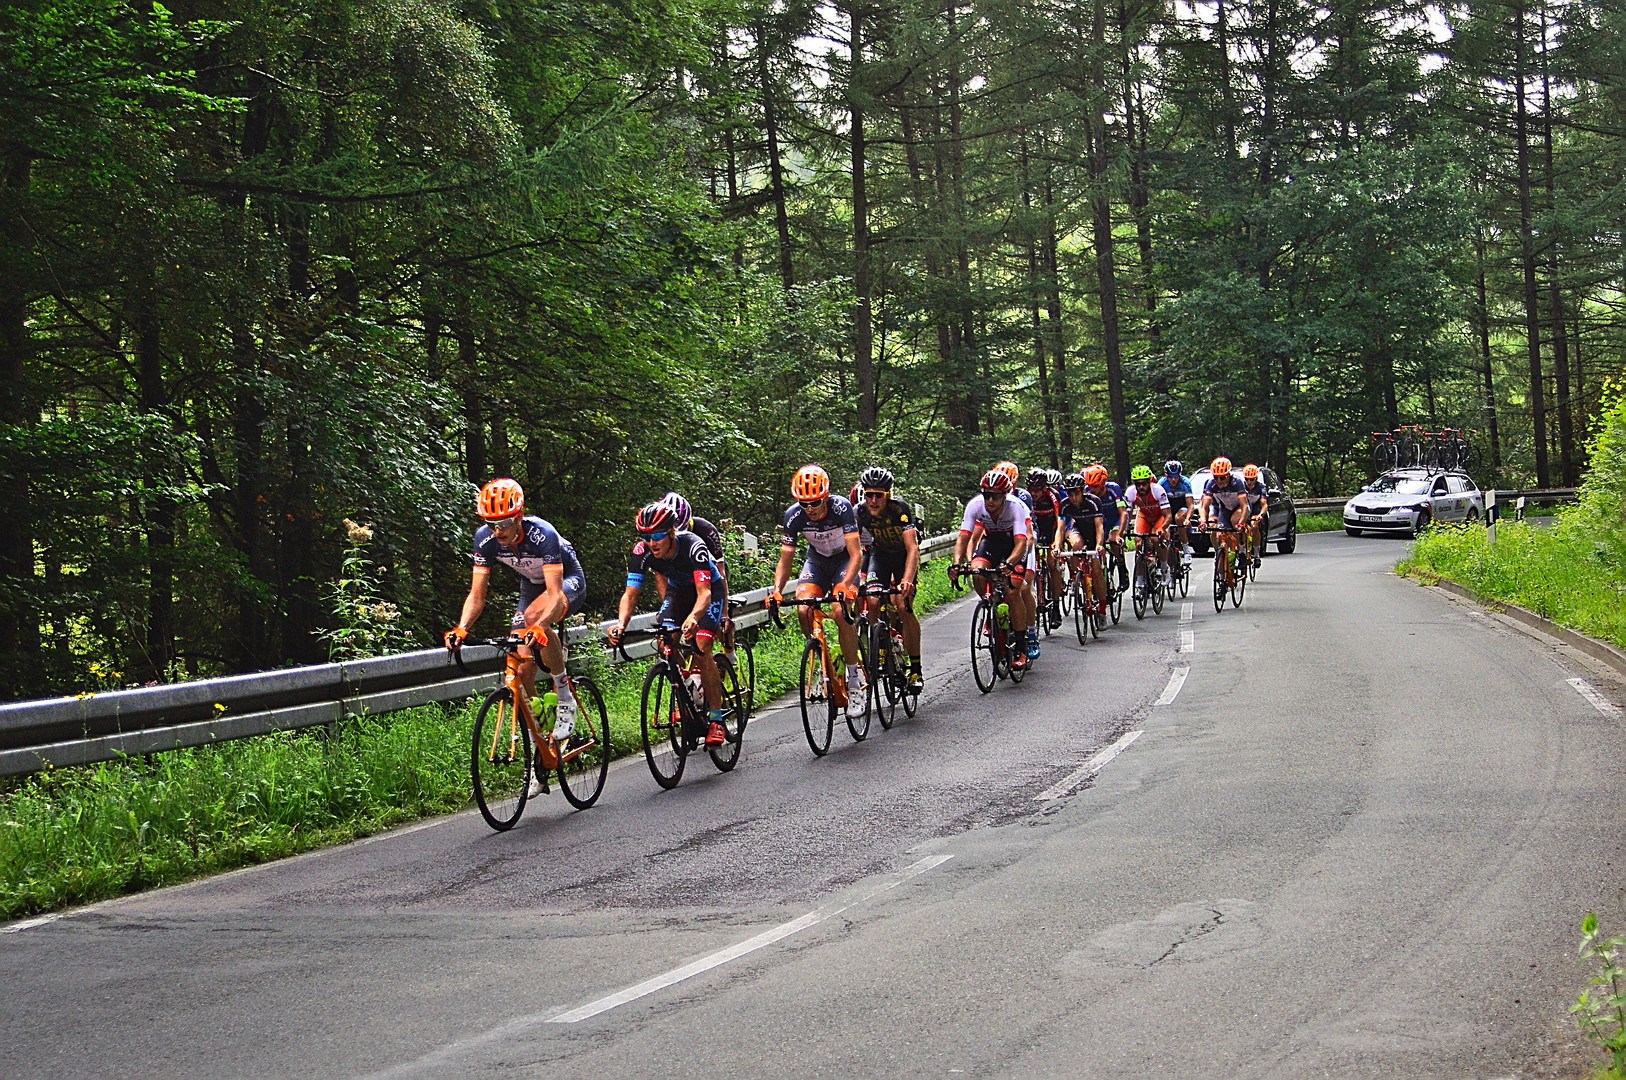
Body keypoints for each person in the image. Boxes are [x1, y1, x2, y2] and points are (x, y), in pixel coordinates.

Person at [445, 478, 587, 751]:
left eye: (504, 523)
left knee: (535, 618)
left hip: (566, 581)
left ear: (519, 516)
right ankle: (545, 740)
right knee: (521, 668)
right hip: (531, 586)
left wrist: (541, 624)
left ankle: (564, 694)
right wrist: (462, 627)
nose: (497, 531)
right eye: (491, 524)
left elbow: (555, 595)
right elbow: (477, 595)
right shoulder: (485, 540)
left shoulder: (542, 534)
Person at [608, 502, 729, 747]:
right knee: (665, 641)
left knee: (701, 645)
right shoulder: (642, 552)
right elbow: (631, 594)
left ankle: (716, 720)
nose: (652, 543)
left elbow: (704, 593)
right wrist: (621, 623)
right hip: (678, 591)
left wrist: (694, 617)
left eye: (658, 536)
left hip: (707, 592)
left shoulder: (694, 546)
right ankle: (688, 690)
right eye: (647, 537)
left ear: (671, 533)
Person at [771, 464, 865, 714]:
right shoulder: (793, 515)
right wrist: (777, 590)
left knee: (839, 608)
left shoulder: (841, 508)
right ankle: (819, 661)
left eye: (815, 502)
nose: (809, 509)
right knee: (804, 609)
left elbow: (856, 555)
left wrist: (845, 585)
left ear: (826, 496)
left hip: (844, 560)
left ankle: (854, 680)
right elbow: (786, 559)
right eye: (804, 504)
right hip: (818, 562)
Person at [950, 468, 1038, 667]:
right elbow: (963, 537)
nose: (990, 500)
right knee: (977, 570)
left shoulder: (1016, 507)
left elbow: (1021, 542)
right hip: (991, 542)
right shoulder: (975, 505)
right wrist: (956, 563)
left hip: (1014, 545)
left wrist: (1009, 563)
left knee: (1013, 589)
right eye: (987, 495)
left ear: (1004, 496)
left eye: (995, 496)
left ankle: (1021, 646)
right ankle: (991, 605)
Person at [854, 466, 923, 691]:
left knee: (903, 607)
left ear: (888, 495)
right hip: (880, 555)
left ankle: (915, 669)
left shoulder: (899, 509)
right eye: (869, 495)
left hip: (902, 556)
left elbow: (912, 549)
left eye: (879, 495)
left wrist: (907, 579)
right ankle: (879, 651)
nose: (873, 500)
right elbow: (852, 549)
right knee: (872, 600)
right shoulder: (859, 512)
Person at [656, 491, 736, 669]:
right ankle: (689, 680)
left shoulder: (705, 530)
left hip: (711, 574)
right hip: (681, 580)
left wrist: (724, 614)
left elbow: (721, 574)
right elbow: (661, 575)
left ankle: (730, 656)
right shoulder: (660, 539)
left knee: (721, 624)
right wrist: (667, 610)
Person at [1060, 472, 1108, 620]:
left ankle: (1102, 609)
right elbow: (1060, 528)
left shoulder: (1093, 501)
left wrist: (1099, 544)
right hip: (1079, 530)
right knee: (1075, 545)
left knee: (1096, 570)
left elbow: (1099, 526)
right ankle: (1075, 577)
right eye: (1070, 494)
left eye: (1077, 493)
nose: (1073, 498)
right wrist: (1057, 545)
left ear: (1083, 491)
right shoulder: (1065, 504)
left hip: (1094, 533)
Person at [1026, 467, 1065, 625]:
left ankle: (1056, 607)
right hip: (1034, 532)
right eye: (1031, 489)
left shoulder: (1053, 496)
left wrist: (1057, 544)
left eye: (1037, 490)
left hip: (1051, 531)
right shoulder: (1026, 498)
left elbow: (1060, 521)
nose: (1034, 493)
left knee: (1052, 564)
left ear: (1044, 488)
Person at [1123, 465, 1172, 589]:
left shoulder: (1158, 490)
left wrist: (1163, 528)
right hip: (1144, 516)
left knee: (1155, 538)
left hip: (1159, 516)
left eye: (1144, 483)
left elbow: (1168, 515)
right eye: (1137, 484)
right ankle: (1140, 581)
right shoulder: (1131, 492)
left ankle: (1165, 567)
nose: (1141, 487)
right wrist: (1125, 529)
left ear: (1149, 482)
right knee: (1138, 544)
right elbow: (1126, 514)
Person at [1083, 464, 1129, 593]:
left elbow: (1123, 513)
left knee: (1114, 541)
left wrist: (1120, 533)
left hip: (1115, 519)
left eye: (1095, 486)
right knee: (1098, 547)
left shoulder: (1113, 489)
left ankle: (1122, 567)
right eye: (1090, 485)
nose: (1092, 489)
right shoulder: (1086, 491)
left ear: (1103, 483)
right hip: (1100, 522)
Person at [1199, 456, 1249, 567]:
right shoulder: (1211, 484)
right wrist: (1203, 521)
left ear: (1228, 475)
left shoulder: (1237, 482)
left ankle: (1241, 551)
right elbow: (1204, 506)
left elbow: (1244, 506)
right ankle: (1219, 553)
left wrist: (1241, 523)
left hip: (1239, 508)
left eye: (1222, 477)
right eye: (1216, 477)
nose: (1218, 481)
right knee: (1215, 530)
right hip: (1225, 509)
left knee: (1235, 521)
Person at [1163, 460, 1195, 566]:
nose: (1173, 479)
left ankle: (1186, 550)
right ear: (1166, 475)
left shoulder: (1185, 482)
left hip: (1182, 506)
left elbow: (1190, 505)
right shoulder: (1162, 484)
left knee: (1179, 518)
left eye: (1176, 476)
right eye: (1170, 477)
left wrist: (1187, 519)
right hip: (1167, 508)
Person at [1241, 464, 1269, 568]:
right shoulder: (1242, 486)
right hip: (1245, 509)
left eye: (1251, 480)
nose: (1249, 482)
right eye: (1247, 479)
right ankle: (1242, 551)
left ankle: (1257, 555)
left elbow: (1264, 504)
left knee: (1254, 526)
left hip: (1255, 508)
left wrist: (1261, 515)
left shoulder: (1260, 487)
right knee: (1240, 526)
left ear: (1256, 478)